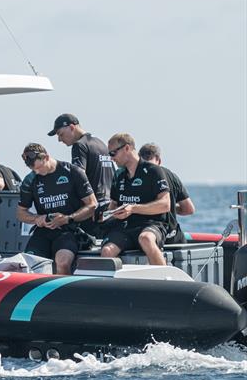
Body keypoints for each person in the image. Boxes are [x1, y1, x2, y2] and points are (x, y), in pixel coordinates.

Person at [16, 143, 97, 275]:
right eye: (33, 170)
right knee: (28, 264)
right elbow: (20, 213)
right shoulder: (30, 179)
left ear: (46, 157)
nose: (37, 172)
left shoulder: (72, 172)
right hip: (43, 231)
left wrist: (67, 219)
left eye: (39, 168)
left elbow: (92, 205)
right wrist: (37, 218)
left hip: (70, 230)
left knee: (63, 262)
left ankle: (64, 295)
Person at [100, 133, 171, 265]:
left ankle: (164, 282)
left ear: (127, 148)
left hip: (152, 224)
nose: (111, 158)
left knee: (146, 239)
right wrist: (108, 215)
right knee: (107, 251)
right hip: (126, 227)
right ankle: (114, 285)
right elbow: (113, 205)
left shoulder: (153, 171)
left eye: (113, 153)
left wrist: (133, 208)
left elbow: (165, 204)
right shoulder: (119, 175)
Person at [48, 113, 114, 222]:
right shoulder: (101, 143)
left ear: (72, 127)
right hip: (109, 205)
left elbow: (78, 175)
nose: (59, 139)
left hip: (92, 208)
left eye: (60, 134)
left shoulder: (79, 145)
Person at [138, 143, 195, 244]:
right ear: (159, 160)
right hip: (173, 236)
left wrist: (162, 206)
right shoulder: (171, 176)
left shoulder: (133, 177)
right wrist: (171, 206)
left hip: (149, 236)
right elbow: (189, 209)